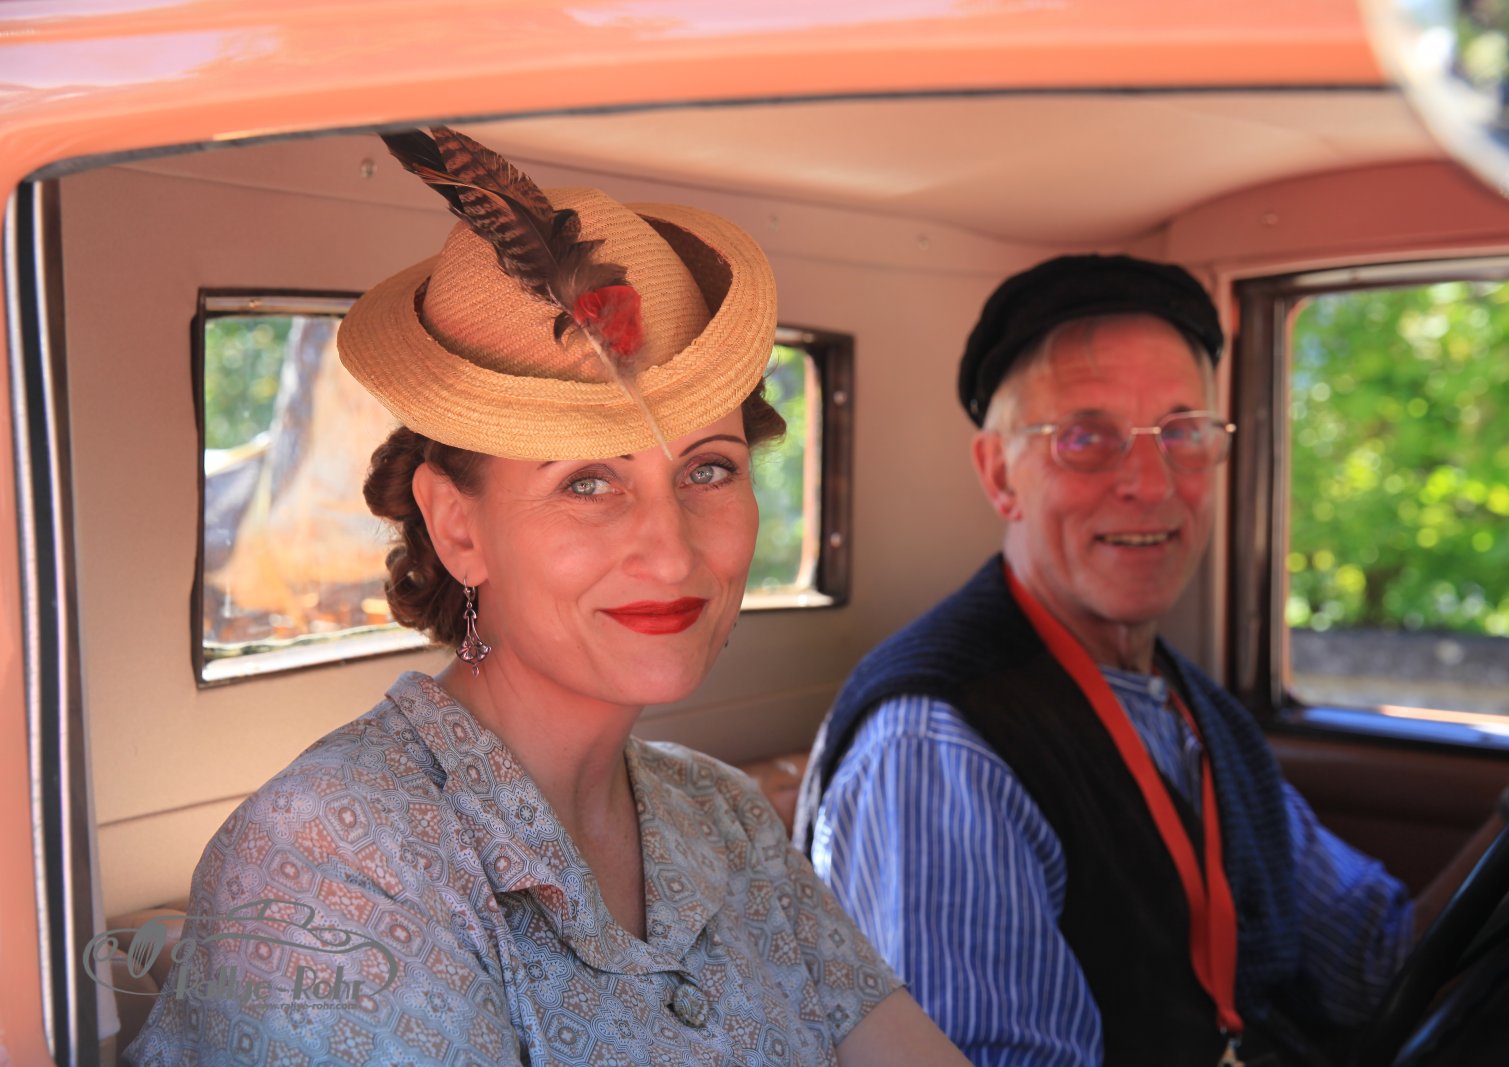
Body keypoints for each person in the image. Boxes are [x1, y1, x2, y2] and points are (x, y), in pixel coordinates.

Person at [129, 127, 968, 1067]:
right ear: (458, 528)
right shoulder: (335, 859)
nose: (672, 552)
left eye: (708, 469)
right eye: (587, 482)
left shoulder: (721, 814)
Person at [795, 254, 1509, 1065]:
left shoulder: (1187, 704)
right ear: (1001, 474)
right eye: (1085, 438)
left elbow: (1371, 966)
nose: (1150, 481)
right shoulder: (941, 745)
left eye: (1183, 432)